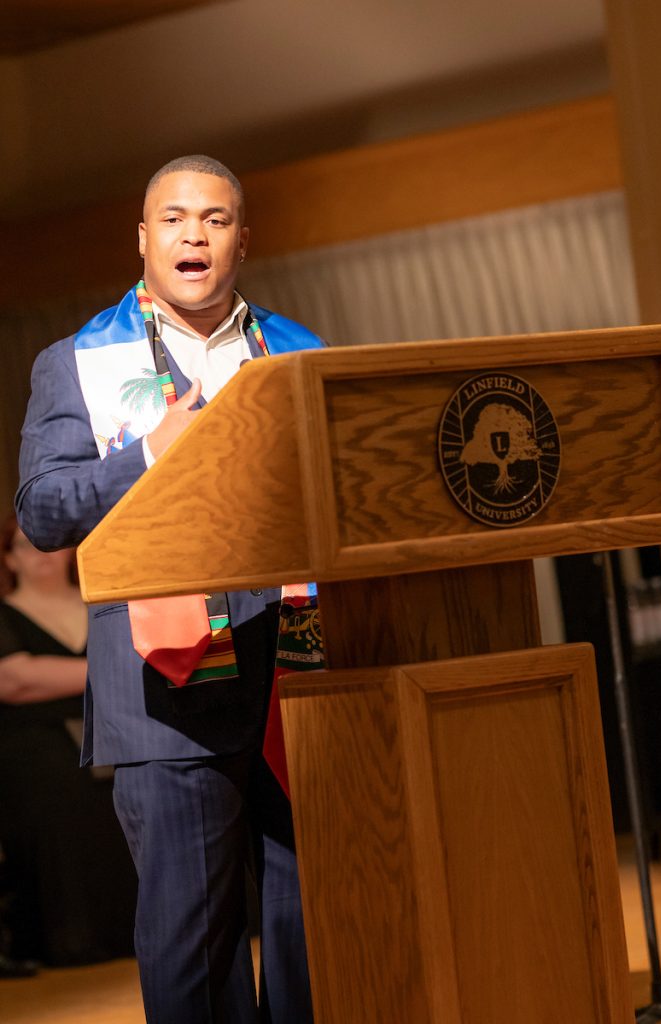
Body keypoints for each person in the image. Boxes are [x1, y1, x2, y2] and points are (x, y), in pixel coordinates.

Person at [15, 156, 323, 1023]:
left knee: (318, 928)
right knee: (195, 950)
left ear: (242, 240)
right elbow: (41, 511)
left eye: (217, 219)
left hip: (303, 675)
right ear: (145, 240)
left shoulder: (300, 354)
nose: (196, 233)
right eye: (177, 218)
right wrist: (149, 453)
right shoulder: (79, 361)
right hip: (169, 687)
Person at [0, 514, 136, 969]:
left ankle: (132, 932)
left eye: (49, 543)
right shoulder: (4, 614)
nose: (40, 554)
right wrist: (116, 671)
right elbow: (15, 679)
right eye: (26, 545)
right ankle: (69, 940)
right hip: (35, 748)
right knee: (54, 789)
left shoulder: (103, 604)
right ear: (9, 558)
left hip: (117, 735)